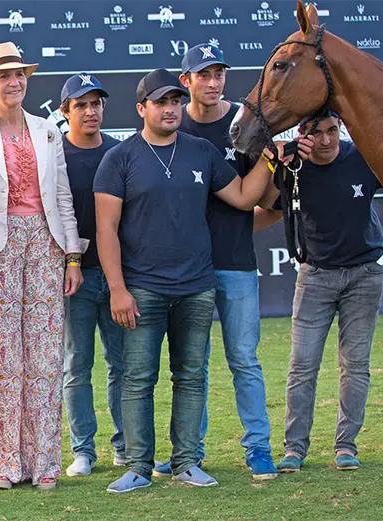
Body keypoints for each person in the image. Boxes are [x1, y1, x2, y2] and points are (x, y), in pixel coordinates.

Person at [94, 69, 277, 493]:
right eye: (161, 102)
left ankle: (187, 462)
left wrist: (269, 159)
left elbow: (245, 197)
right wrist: (118, 289)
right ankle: (138, 467)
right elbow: (106, 230)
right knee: (138, 378)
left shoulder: (200, 151)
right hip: (141, 288)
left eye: (176, 101)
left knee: (191, 376)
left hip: (196, 285)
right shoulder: (119, 158)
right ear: (142, 108)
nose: (171, 108)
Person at [0, 42, 83, 491]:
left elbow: (64, 197)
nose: (14, 82)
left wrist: (72, 255)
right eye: (3, 76)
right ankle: (1, 464)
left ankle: (45, 461)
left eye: (19, 74)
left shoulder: (48, 130)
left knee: (47, 357)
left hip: (47, 247)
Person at [156, 42, 278, 480]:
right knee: (194, 366)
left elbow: (267, 200)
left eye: (219, 73)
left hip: (236, 263)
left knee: (244, 359)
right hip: (189, 269)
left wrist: (243, 226)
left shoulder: (242, 124)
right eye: (203, 74)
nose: (213, 82)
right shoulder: (172, 124)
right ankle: (190, 453)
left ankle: (259, 449)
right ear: (185, 81)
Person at [255, 113, 383, 473]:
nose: (326, 140)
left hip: (365, 273)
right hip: (315, 276)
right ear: (302, 133)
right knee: (302, 366)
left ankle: (346, 446)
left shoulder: (363, 156)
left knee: (355, 366)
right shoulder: (293, 167)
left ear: (341, 129)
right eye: (317, 132)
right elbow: (266, 203)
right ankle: (294, 449)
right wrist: (277, 162)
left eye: (332, 131)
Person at [57, 72, 125, 477]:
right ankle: (83, 450)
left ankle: (124, 444)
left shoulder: (120, 152)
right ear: (65, 111)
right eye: (81, 104)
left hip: (118, 277)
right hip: (75, 278)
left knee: (122, 365)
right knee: (76, 365)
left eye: (96, 103)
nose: (90, 110)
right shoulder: (55, 157)